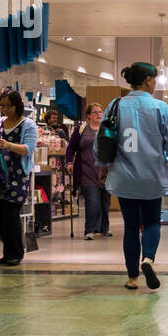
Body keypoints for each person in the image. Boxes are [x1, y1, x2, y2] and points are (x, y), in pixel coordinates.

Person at [96, 62, 168, 291]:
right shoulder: (160, 107)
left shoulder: (115, 105)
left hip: (124, 177)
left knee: (131, 226)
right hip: (151, 175)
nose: (155, 84)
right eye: (154, 79)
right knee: (153, 221)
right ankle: (149, 259)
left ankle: (132, 277)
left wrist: (103, 166)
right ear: (147, 80)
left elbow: (102, 141)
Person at [0, 89, 38, 267]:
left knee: (11, 215)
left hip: (18, 176)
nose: (5, 109)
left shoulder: (28, 125)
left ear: (17, 104)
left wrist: (8, 145)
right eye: (2, 105)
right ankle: (7, 252)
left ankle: (15, 253)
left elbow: (28, 149)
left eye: (8, 105)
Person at [64, 103, 111, 240]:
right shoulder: (81, 130)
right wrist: (69, 162)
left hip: (105, 172)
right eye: (95, 112)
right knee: (92, 201)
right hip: (86, 171)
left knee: (105, 201)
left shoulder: (107, 129)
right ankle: (89, 230)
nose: (99, 114)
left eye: (100, 112)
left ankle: (103, 228)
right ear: (89, 115)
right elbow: (71, 148)